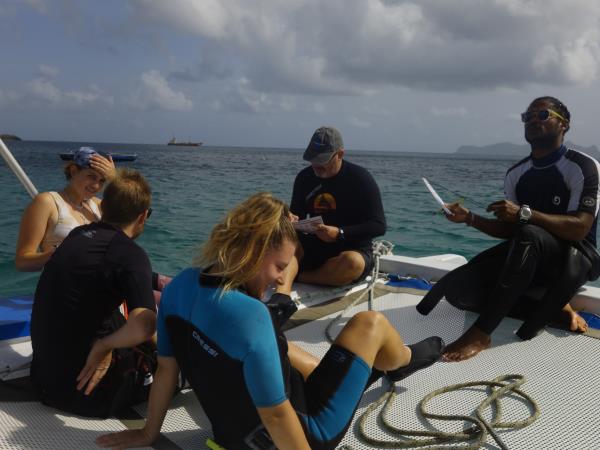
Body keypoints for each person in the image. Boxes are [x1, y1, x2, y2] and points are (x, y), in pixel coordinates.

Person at [96, 192, 443, 450]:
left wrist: (148, 433)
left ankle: (377, 367)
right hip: (304, 433)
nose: (280, 279)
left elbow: (167, 371)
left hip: (232, 437)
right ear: (253, 253)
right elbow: (278, 417)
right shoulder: (253, 318)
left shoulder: (181, 285)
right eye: (280, 266)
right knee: (369, 324)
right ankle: (404, 361)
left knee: (284, 351)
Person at [418, 96, 599, 362]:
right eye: (528, 116)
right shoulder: (517, 173)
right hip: (528, 253)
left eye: (542, 115)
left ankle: (481, 333)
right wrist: (470, 218)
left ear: (564, 125)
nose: (533, 121)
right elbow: (508, 230)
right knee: (458, 291)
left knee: (527, 234)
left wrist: (525, 214)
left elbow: (580, 229)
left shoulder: (583, 166)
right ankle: (551, 308)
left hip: (574, 257)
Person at [31, 168, 157, 418]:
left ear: (103, 207)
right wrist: (105, 345)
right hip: (90, 395)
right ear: (143, 217)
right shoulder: (132, 254)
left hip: (43, 381)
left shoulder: (76, 235)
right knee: (169, 350)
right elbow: (144, 327)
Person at [288, 126, 386, 287]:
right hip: (313, 245)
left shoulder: (360, 179)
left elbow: (379, 226)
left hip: (350, 247)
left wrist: (340, 233)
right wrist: (290, 218)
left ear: (340, 155)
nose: (316, 167)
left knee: (353, 263)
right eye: (313, 160)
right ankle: (312, 277)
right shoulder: (304, 177)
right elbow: (296, 214)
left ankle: (301, 276)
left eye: (322, 161)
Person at [15, 146, 115, 271]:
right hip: (62, 287)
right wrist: (59, 253)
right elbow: (22, 262)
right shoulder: (48, 202)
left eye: (102, 180)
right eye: (91, 176)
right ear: (73, 171)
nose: (96, 186)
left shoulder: (98, 206)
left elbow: (134, 215)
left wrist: (116, 179)